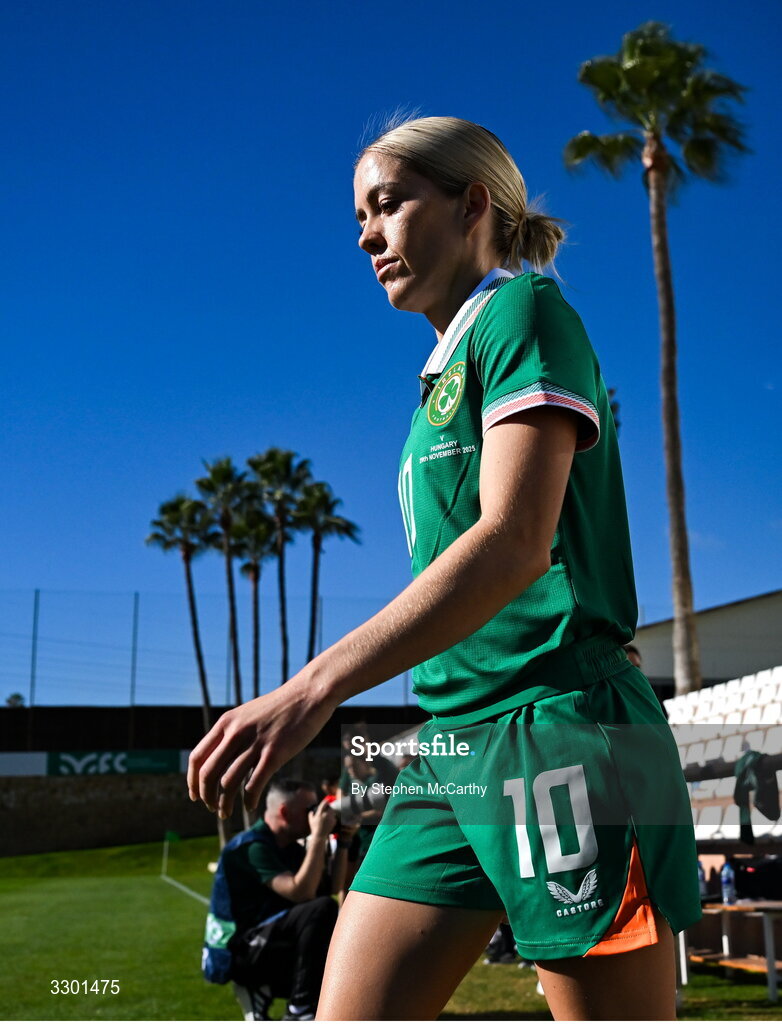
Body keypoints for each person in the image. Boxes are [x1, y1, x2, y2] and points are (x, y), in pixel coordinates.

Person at [189, 115, 701, 1020]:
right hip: (452, 747)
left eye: (388, 204)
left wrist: (313, 687)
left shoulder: (525, 313)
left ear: (473, 204)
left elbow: (512, 544)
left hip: (560, 731)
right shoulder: (436, 383)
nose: (367, 235)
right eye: (359, 216)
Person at [204, 777, 352, 1021]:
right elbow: (301, 893)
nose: (315, 815)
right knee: (321, 910)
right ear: (284, 811)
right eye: (309, 810)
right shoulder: (251, 846)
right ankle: (299, 1009)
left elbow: (330, 889)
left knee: (325, 919)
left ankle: (273, 993)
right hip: (238, 953)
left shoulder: (289, 849)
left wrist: (344, 841)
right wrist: (317, 838)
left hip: (266, 944)